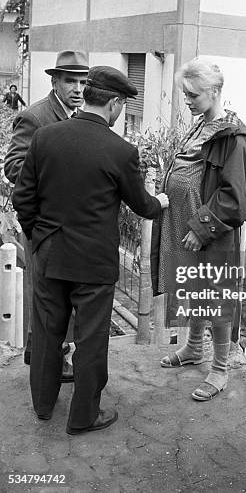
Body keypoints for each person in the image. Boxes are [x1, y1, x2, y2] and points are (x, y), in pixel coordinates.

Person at [12, 65, 169, 434]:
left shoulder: (45, 138)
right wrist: (160, 201)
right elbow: (142, 205)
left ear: (89, 96)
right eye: (121, 106)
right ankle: (83, 416)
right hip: (94, 263)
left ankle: (43, 406)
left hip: (50, 254)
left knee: (49, 331)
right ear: (113, 104)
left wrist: (40, 236)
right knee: (91, 337)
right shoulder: (121, 151)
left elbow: (23, 197)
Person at [151, 58, 246, 401]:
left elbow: (234, 197)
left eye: (194, 95)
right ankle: (194, 348)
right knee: (194, 287)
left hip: (212, 230)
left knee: (216, 295)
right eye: (185, 94)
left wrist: (202, 227)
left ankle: (220, 368)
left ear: (215, 92)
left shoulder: (233, 137)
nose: (188, 101)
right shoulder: (200, 126)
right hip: (187, 222)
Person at [4, 50, 89, 370]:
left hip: (73, 223)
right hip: (44, 222)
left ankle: (54, 352)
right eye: (70, 81)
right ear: (55, 81)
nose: (78, 89)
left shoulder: (82, 118)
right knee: (46, 292)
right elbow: (13, 167)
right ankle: (45, 357)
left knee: (66, 292)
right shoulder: (36, 116)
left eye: (83, 82)